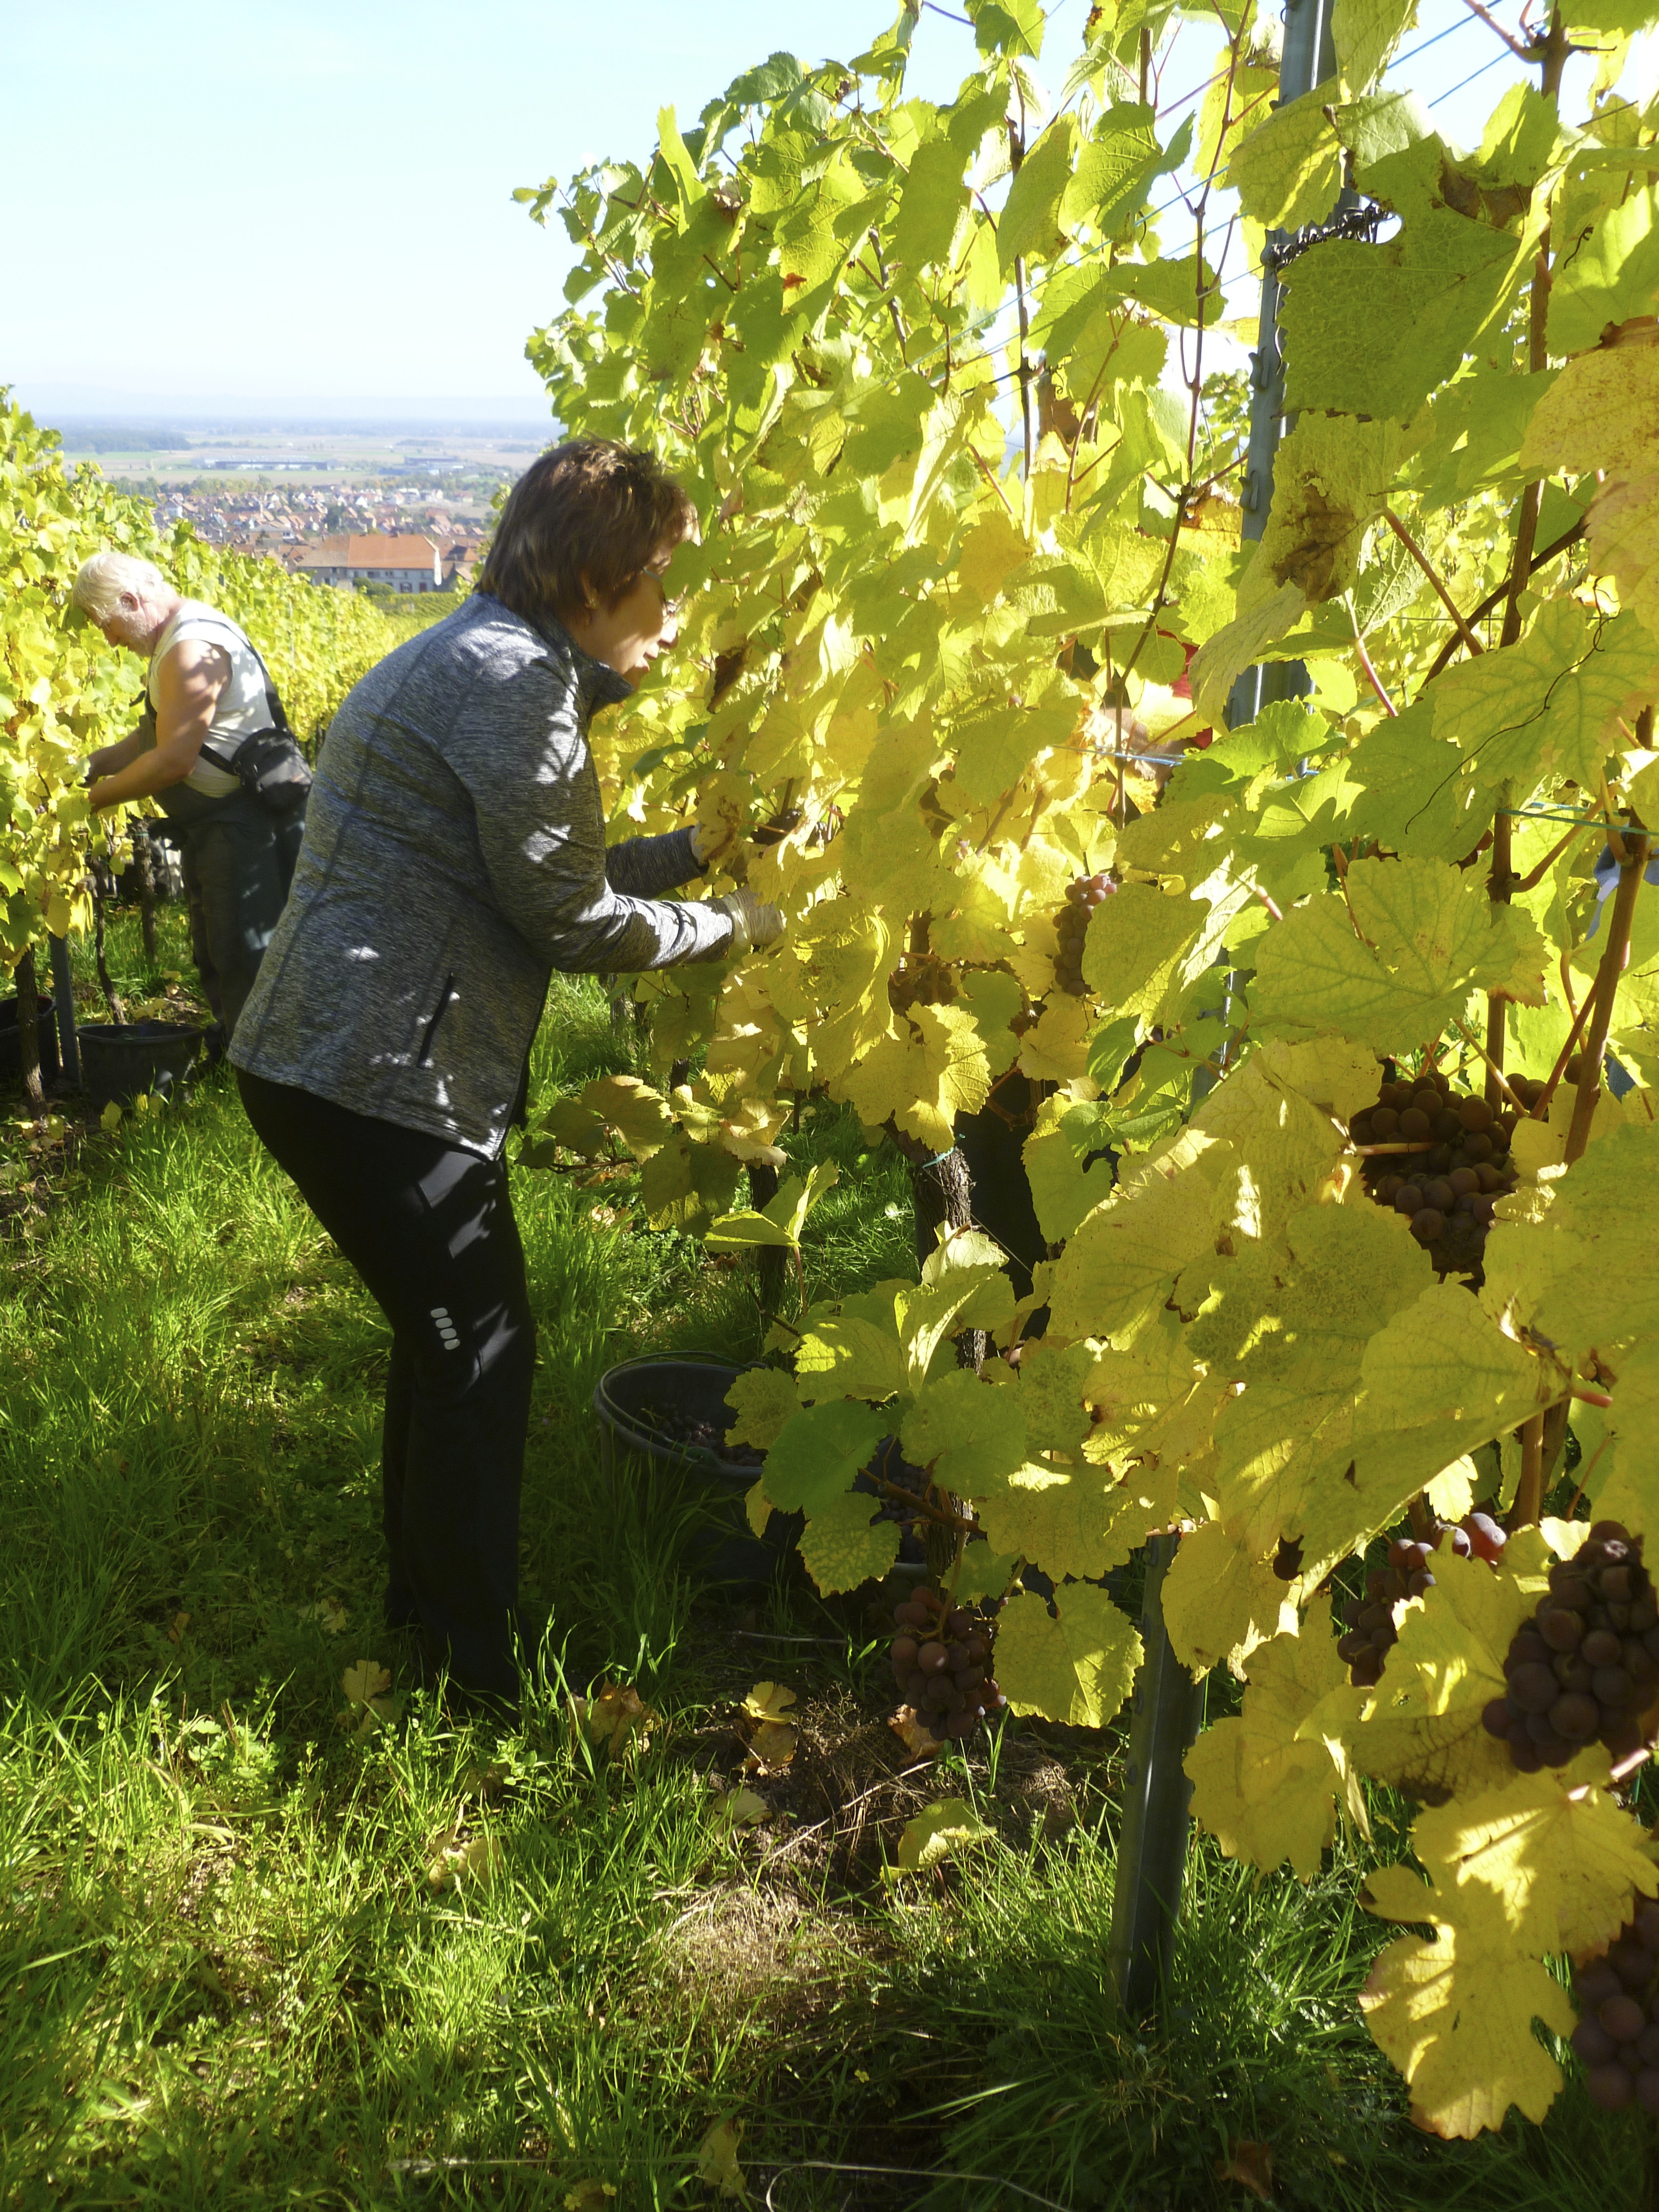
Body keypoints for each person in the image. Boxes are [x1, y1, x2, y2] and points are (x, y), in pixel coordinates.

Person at [229, 438, 784, 1706]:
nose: (671, 614)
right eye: (656, 582)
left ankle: (424, 1620)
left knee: (447, 1347)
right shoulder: (510, 685)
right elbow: (572, 925)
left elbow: (541, 871)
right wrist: (739, 928)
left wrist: (696, 852)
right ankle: (472, 1672)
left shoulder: (484, 657)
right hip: (368, 1075)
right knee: (480, 1354)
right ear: (591, 579)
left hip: (335, 1060)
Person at [72, 551, 307, 1044]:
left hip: (244, 824)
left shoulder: (189, 646)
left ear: (133, 601)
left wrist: (93, 800)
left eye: (108, 625)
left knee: (245, 949)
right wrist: (92, 766)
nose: (110, 640)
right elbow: (151, 737)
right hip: (218, 825)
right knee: (217, 945)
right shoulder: (172, 642)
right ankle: (237, 1049)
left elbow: (173, 759)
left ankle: (265, 1067)